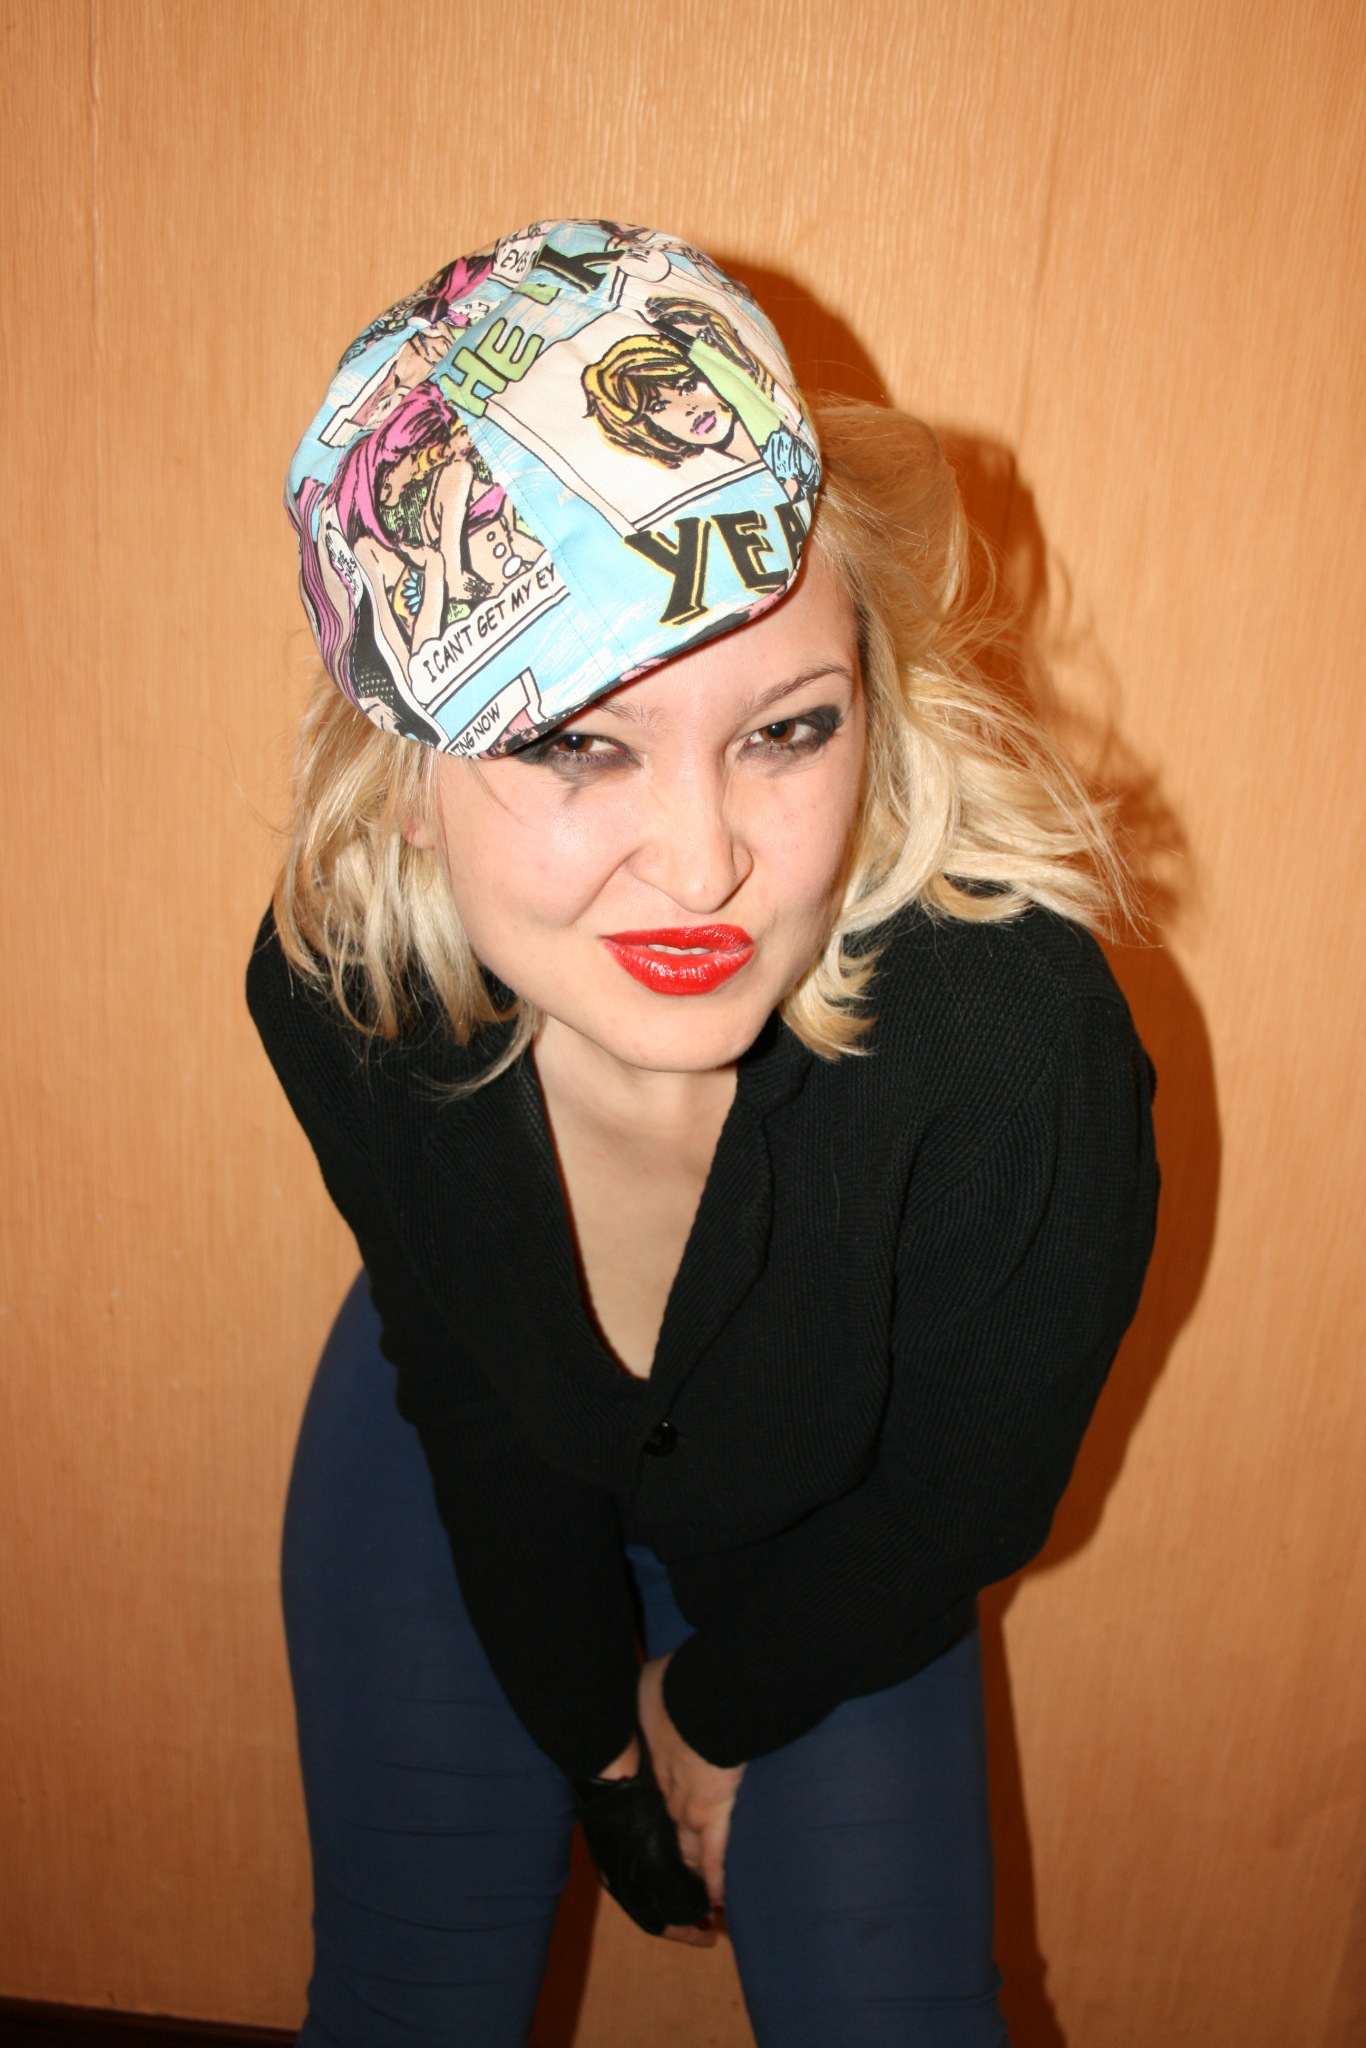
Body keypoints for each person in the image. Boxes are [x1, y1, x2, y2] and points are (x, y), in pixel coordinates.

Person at [250, 220, 1158, 2048]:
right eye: (578, 744)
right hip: (466, 1462)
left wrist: (710, 1714)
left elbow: (964, 1495)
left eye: (785, 730)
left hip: (846, 1542)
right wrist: (594, 1739)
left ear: (872, 707)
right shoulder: (349, 994)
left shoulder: (1010, 1041)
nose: (704, 862)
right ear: (402, 772)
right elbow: (468, 1395)